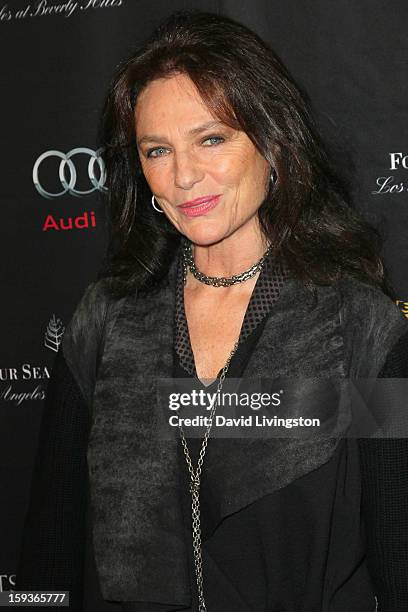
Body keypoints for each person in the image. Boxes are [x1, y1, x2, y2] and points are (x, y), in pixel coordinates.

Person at [15, 9, 408, 612]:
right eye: (156, 151)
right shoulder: (105, 322)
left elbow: (398, 555)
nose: (184, 177)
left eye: (212, 138)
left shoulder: (359, 328)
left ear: (272, 143)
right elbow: (48, 544)